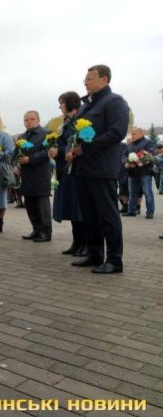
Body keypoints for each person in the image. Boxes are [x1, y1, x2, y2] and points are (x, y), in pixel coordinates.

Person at [68, 64, 129, 274]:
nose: (86, 83)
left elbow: (117, 132)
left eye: (90, 79)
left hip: (102, 169)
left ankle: (114, 260)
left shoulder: (115, 102)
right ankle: (94, 255)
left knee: (108, 214)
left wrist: (86, 149)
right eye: (85, 80)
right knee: (89, 214)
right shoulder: (86, 106)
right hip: (83, 169)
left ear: (104, 79)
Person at [48, 92, 86, 256]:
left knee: (79, 208)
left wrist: (60, 150)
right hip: (65, 169)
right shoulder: (65, 121)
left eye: (61, 103)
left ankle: (85, 243)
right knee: (71, 207)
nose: (59, 106)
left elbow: (79, 144)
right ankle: (76, 242)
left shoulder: (79, 120)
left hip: (75, 169)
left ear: (70, 103)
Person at [15, 110, 52, 242]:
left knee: (42, 205)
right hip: (26, 175)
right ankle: (36, 230)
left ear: (38, 120)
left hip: (40, 174)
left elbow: (48, 152)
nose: (28, 122)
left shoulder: (46, 134)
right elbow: (17, 154)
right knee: (29, 204)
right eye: (26, 120)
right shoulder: (21, 137)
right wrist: (16, 165)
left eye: (31, 119)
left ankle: (46, 232)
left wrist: (30, 159)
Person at [122, 127, 156, 219]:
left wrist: (134, 163)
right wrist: (126, 162)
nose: (132, 135)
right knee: (132, 192)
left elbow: (149, 156)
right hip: (132, 173)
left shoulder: (147, 142)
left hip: (145, 172)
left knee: (147, 192)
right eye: (131, 134)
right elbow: (124, 155)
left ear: (140, 134)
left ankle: (150, 211)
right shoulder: (129, 144)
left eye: (134, 134)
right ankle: (131, 211)